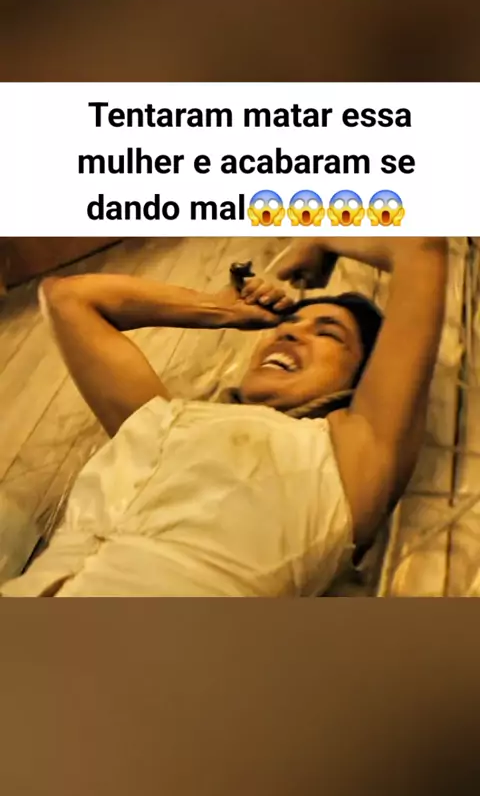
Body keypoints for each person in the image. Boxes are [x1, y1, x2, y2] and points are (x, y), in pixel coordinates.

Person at [0, 237, 448, 597]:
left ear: (362, 377)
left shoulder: (353, 450)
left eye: (327, 334)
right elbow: (66, 298)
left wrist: (321, 238)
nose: (290, 332)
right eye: (287, 324)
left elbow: (421, 249)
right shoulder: (163, 418)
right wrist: (221, 309)